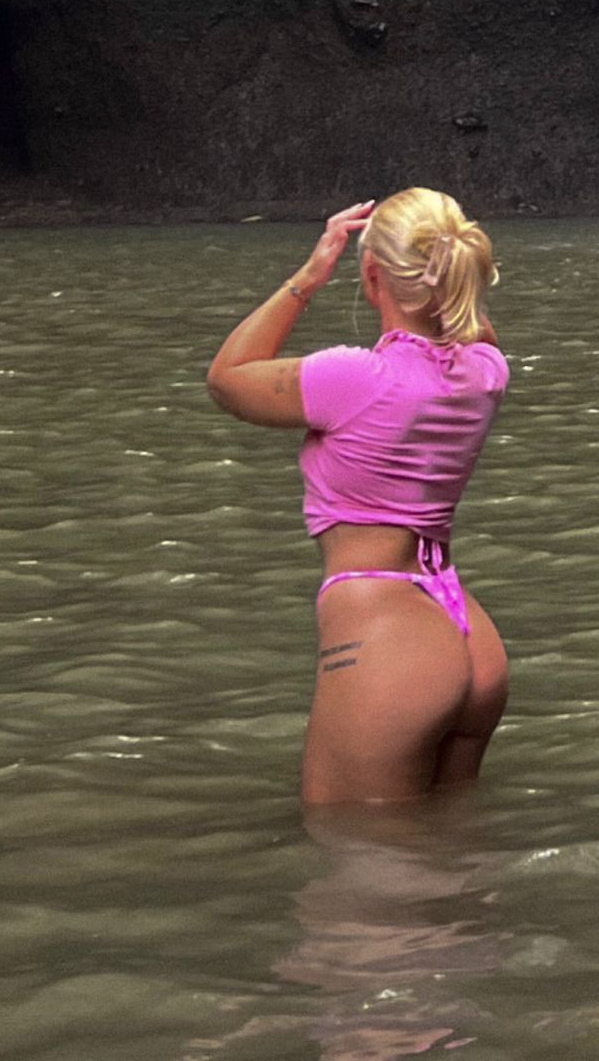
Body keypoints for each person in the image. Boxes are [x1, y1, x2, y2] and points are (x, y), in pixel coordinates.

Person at [206, 186, 511, 806]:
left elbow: (226, 380)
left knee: (353, 867)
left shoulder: (354, 377)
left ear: (373, 275)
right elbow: (470, 329)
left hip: (386, 636)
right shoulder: (485, 371)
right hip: (468, 633)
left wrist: (309, 275)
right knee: (449, 848)